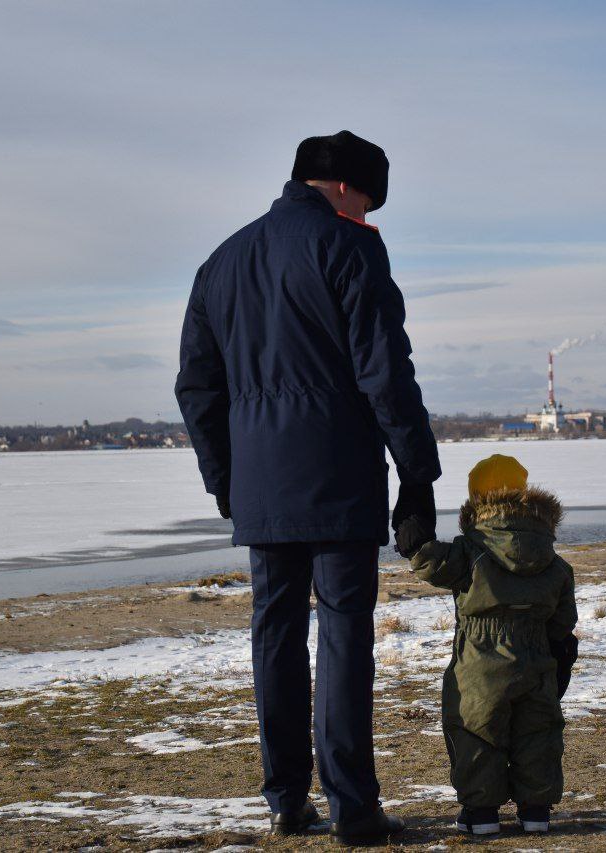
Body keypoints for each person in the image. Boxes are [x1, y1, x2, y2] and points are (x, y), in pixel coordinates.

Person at [174, 130, 440, 845]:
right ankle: (354, 809)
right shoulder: (349, 247)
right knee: (345, 638)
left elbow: (197, 385)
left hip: (262, 489)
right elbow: (386, 372)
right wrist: (417, 473)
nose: (369, 213)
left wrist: (226, 479)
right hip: (340, 481)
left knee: (277, 637)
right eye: (370, 200)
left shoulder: (221, 261)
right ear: (349, 189)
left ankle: (287, 800)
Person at [395, 454, 578, 836]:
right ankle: (536, 811)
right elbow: (564, 621)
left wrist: (413, 532)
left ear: (476, 499)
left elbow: (428, 562)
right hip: (536, 658)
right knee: (537, 732)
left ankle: (481, 814)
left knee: (476, 730)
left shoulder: (469, 552)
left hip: (479, 660)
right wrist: (556, 649)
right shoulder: (551, 557)